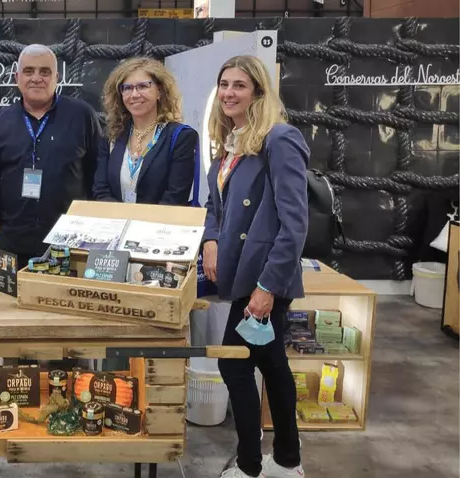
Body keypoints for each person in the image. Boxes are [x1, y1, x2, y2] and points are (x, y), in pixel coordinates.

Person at [202, 55, 309, 478]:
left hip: (264, 277)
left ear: (259, 93)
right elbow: (214, 206)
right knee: (270, 364)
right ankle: (286, 460)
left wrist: (267, 286)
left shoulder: (278, 138)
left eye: (240, 85)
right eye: (224, 84)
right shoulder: (231, 145)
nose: (229, 93)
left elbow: (294, 222)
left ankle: (252, 465)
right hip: (242, 275)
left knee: (236, 363)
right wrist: (211, 238)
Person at [0, 43, 102, 263]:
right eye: (29, 71)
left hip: (69, 241)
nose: (36, 78)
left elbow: (97, 174)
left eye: (45, 72)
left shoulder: (82, 115)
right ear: (17, 78)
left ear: (57, 77)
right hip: (12, 241)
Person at [93, 57, 198, 205]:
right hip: (116, 219)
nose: (134, 94)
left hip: (160, 220)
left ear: (160, 91)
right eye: (127, 88)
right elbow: (101, 191)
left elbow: (174, 198)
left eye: (143, 86)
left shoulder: (181, 137)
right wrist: (121, 217)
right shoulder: (111, 136)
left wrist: (139, 219)